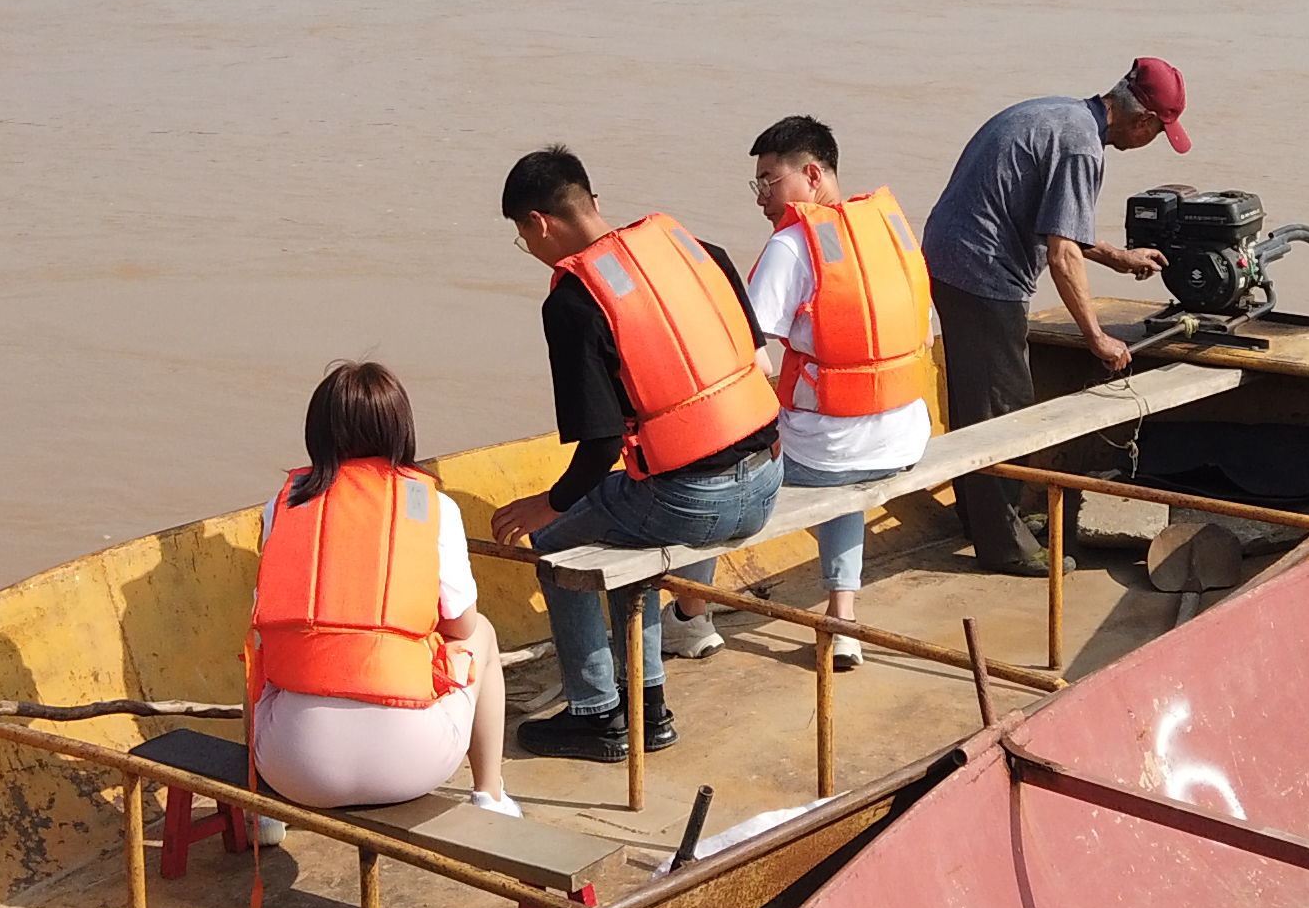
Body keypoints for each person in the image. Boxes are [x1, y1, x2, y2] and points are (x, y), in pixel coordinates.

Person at [489, 148, 787, 759]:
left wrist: (548, 506)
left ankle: (598, 715)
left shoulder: (573, 303)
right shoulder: (697, 250)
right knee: (625, 532)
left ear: (537, 225)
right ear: (592, 201)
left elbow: (600, 446)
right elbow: (759, 363)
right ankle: (649, 707)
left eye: (524, 237)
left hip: (695, 499)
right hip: (768, 480)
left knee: (561, 547)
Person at [920, 57, 1188, 573]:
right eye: (1160, 132)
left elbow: (1055, 225)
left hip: (954, 258)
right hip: (980, 271)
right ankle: (1006, 548)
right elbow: (1062, 253)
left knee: (986, 400)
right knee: (1003, 412)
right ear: (1143, 122)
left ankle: (991, 518)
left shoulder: (1062, 115)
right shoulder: (1081, 146)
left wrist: (1117, 257)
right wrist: (1097, 337)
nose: (1153, 141)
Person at [245, 360, 513, 815]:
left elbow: (267, 616)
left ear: (319, 431)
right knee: (481, 630)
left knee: (258, 644)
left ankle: (260, 808)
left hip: (292, 768)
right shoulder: (433, 506)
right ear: (401, 430)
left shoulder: (285, 503)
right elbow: (460, 622)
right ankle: (491, 796)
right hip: (413, 764)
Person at [730, 115, 932, 672]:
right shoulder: (888, 230)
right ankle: (842, 619)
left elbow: (745, 349)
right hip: (907, 441)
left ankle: (691, 616)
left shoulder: (792, 246)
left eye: (769, 182)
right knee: (835, 445)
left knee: (720, 472)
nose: (761, 199)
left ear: (811, 174)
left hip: (833, 454)